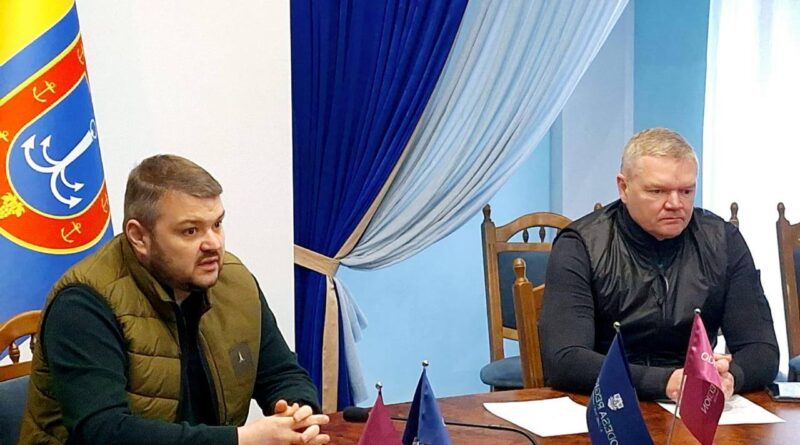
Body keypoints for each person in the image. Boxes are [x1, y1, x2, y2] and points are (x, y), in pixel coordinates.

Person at [18, 155, 330, 445]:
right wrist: (240, 440)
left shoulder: (234, 281)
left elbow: (281, 372)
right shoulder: (84, 304)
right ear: (139, 237)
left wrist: (297, 413)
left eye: (217, 224)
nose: (213, 244)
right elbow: (104, 431)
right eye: (191, 231)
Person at [539, 128, 779, 401]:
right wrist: (665, 382)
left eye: (686, 191)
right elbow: (566, 360)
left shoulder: (723, 241)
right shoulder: (581, 245)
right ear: (624, 188)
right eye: (657, 191)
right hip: (607, 403)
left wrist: (731, 376)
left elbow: (763, 350)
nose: (675, 204)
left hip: (696, 403)